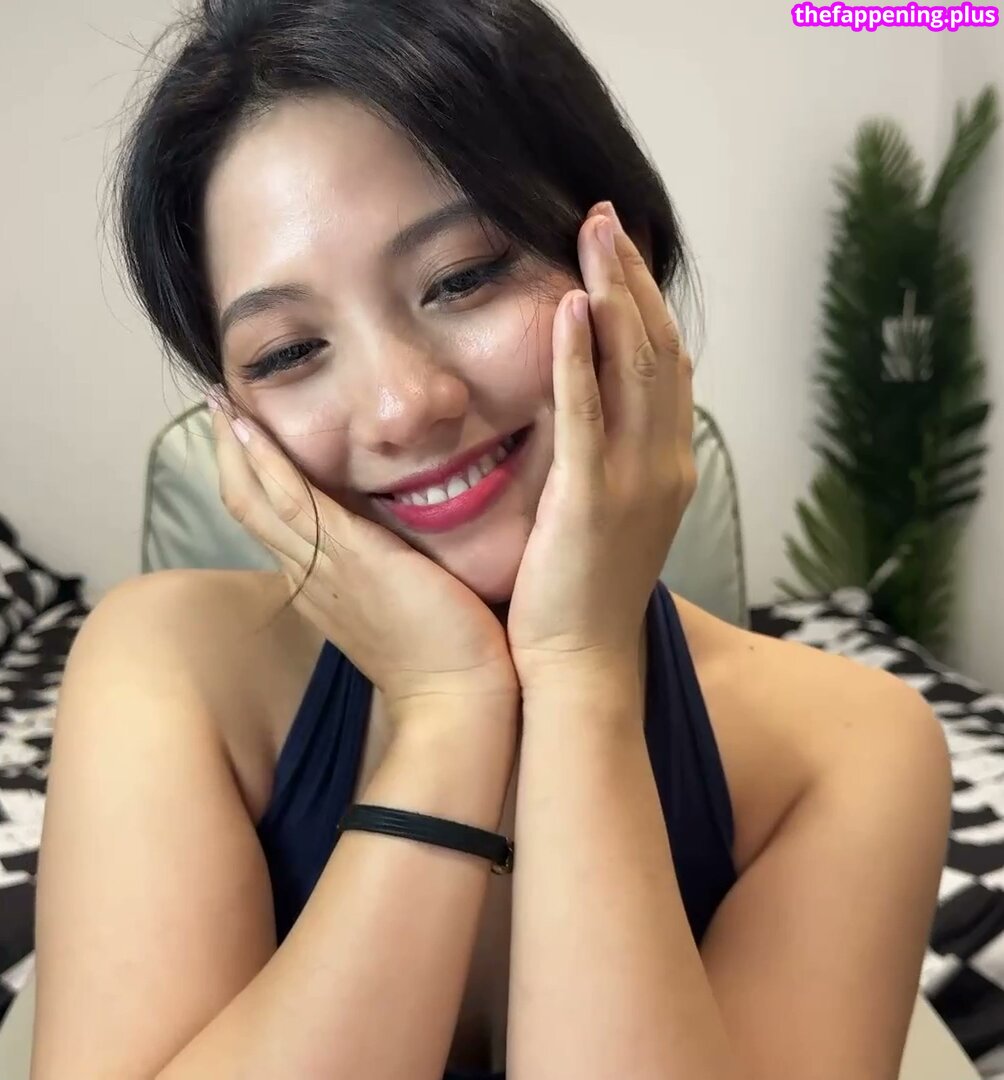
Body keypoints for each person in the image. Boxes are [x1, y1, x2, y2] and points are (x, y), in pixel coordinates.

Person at [31, 1, 953, 1077]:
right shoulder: (167, 666)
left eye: (463, 277)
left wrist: (579, 675)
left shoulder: (847, 750)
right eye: (287, 353)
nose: (401, 407)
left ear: (626, 265)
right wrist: (446, 712)